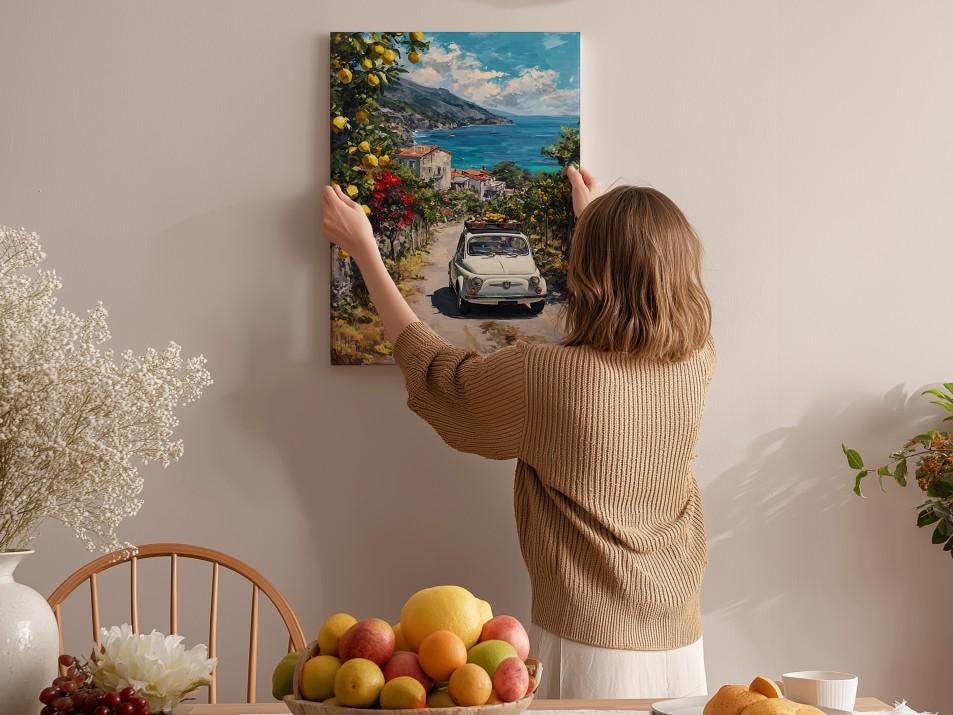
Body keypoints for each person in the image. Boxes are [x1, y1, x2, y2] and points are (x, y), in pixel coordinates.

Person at [320, 166, 715, 699]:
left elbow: (439, 374)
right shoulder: (697, 359)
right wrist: (593, 223)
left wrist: (365, 248)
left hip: (589, 645)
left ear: (587, 270)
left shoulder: (547, 376)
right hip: (681, 640)